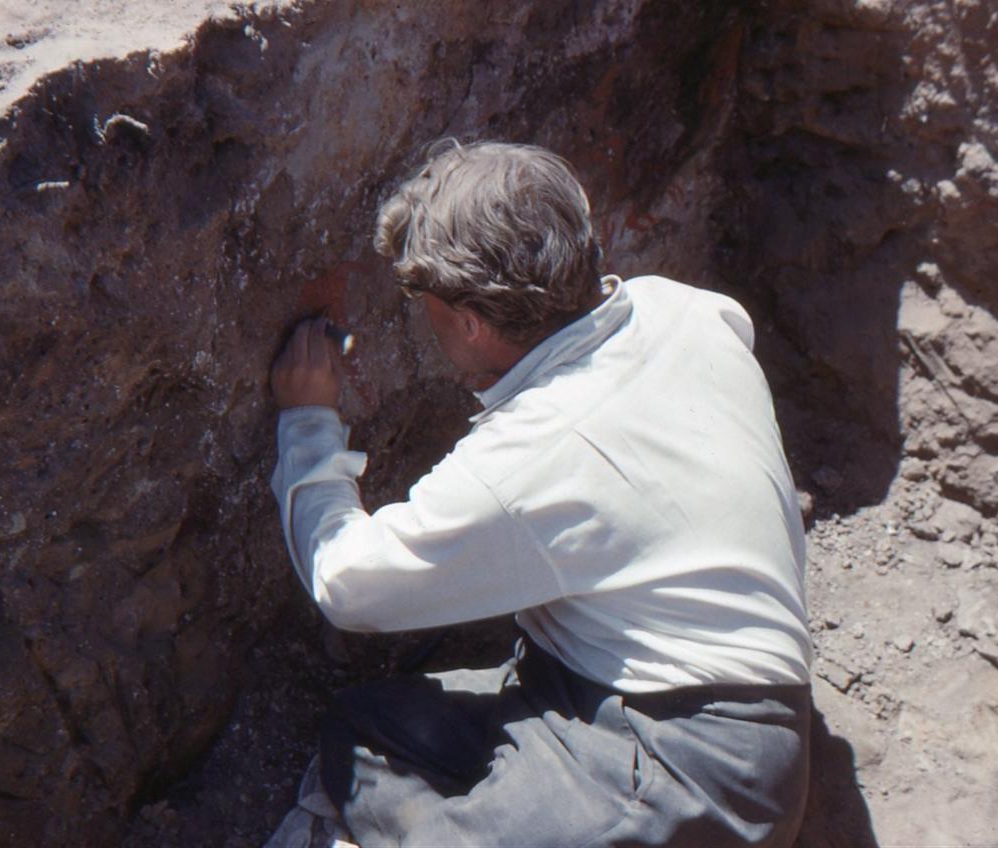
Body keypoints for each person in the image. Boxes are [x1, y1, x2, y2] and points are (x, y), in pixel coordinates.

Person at [267, 140, 813, 847]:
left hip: (700, 769)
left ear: (470, 320)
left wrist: (306, 421)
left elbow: (348, 583)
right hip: (589, 689)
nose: (420, 318)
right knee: (362, 731)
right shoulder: (689, 310)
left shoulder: (532, 453)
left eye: (419, 300)